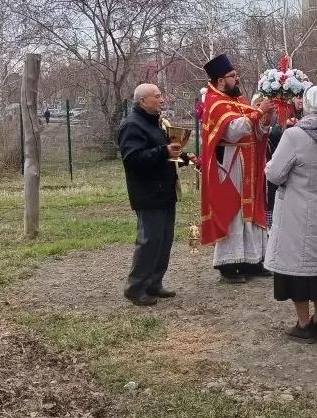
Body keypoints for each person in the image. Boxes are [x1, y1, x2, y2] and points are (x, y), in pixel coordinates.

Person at [264, 85, 317, 342]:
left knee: (298, 266)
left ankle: (303, 323)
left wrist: (269, 166)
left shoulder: (294, 135)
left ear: (306, 105)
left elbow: (275, 174)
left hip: (297, 209)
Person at [200, 53, 273, 284]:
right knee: (234, 213)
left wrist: (264, 121)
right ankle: (229, 265)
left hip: (249, 164)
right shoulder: (214, 102)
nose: (237, 78)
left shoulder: (238, 100)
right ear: (221, 80)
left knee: (251, 211)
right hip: (230, 167)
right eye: (232, 75)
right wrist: (258, 112)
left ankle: (253, 261)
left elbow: (254, 130)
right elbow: (232, 132)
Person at [117, 83, 192, 305]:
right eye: (157, 96)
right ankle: (135, 287)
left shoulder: (155, 123)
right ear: (142, 101)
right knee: (149, 241)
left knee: (164, 240)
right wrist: (163, 151)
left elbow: (165, 153)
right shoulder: (132, 125)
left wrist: (184, 158)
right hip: (148, 193)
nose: (162, 100)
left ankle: (154, 283)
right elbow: (133, 159)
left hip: (165, 191)